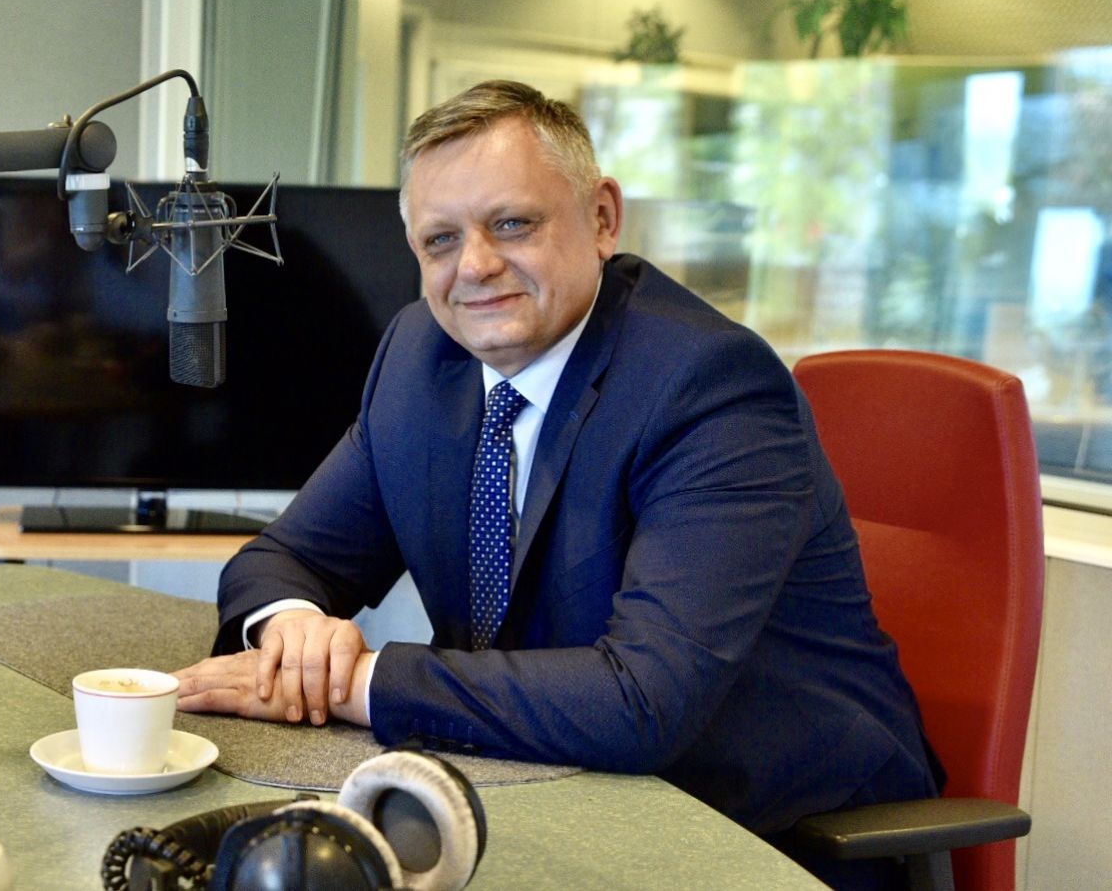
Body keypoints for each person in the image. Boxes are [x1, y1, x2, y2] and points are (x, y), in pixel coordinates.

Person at [174, 80, 940, 883]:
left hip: (769, 834)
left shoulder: (710, 385)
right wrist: (294, 629)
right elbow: (284, 560)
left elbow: (642, 700)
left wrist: (356, 683)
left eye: (512, 224)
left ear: (602, 218)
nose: (475, 266)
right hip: (549, 793)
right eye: (440, 240)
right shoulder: (420, 357)